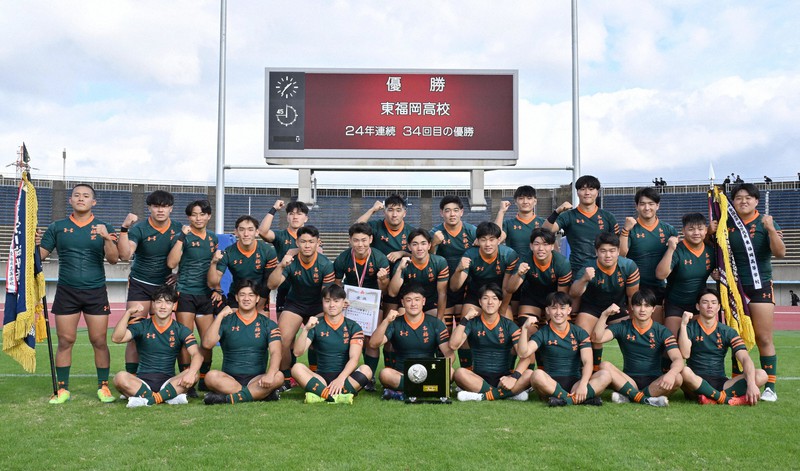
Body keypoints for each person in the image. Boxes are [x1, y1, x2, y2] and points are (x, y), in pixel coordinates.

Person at [40, 183, 119, 404]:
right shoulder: (57, 227)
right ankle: (62, 389)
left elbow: (114, 259)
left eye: (86, 196)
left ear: (94, 202)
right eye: (76, 195)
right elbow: (41, 255)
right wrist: (29, 243)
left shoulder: (104, 226)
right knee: (65, 340)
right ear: (70, 200)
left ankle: (103, 386)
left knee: (99, 340)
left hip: (96, 291)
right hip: (67, 291)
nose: (81, 198)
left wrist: (106, 237)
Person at [724, 183, 785, 401]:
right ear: (733, 202)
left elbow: (780, 253)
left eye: (748, 197)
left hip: (760, 286)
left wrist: (770, 229)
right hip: (735, 288)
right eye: (739, 198)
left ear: (756, 201)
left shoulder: (766, 222)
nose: (743, 201)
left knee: (763, 337)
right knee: (737, 336)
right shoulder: (726, 223)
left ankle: (770, 387)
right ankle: (737, 380)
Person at [117, 190, 182, 377]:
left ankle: (163, 374)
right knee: (134, 333)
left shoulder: (179, 228)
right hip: (140, 285)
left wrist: (180, 274)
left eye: (164, 206)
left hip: (164, 287)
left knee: (165, 332)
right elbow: (126, 255)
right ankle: (132, 378)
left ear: (171, 208)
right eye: (156, 206)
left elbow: (190, 256)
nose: (160, 210)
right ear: (149, 208)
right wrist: (124, 229)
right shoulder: (139, 229)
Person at [266, 225, 335, 387]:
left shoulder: (325, 264)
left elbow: (327, 295)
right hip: (295, 304)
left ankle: (316, 373)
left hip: (318, 306)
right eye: (303, 241)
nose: (307, 245)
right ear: (297, 242)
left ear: (318, 242)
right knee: (282, 339)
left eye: (311, 242)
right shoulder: (291, 261)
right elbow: (271, 285)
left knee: (321, 339)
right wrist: (281, 265)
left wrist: (325, 316)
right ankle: (285, 378)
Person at [111, 285, 200, 407]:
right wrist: (128, 313)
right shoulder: (142, 326)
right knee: (119, 378)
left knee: (194, 374)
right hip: (142, 382)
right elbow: (116, 338)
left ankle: (148, 399)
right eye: (159, 302)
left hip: (168, 382)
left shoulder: (180, 329)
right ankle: (167, 397)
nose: (163, 306)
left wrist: (191, 373)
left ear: (174, 306)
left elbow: (197, 354)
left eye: (168, 303)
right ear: (153, 305)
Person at [516, 292, 610, 406]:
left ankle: (564, 400)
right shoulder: (542, 333)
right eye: (554, 308)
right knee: (536, 375)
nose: (558, 312)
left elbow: (587, 362)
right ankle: (578, 399)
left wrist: (583, 385)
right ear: (547, 310)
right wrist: (525, 328)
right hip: (550, 384)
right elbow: (523, 353)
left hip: (576, 383)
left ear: (569, 310)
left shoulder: (579, 332)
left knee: (605, 375)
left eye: (562, 308)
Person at [592, 289, 682, 407]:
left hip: (655, 382)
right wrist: (605, 315)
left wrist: (671, 374)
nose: (642, 309)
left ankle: (631, 397)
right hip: (629, 381)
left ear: (653, 309)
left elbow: (678, 358)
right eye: (638, 305)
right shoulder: (623, 326)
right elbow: (597, 339)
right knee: (604, 366)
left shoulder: (662, 331)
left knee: (678, 378)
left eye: (647, 306)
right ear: (632, 307)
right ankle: (646, 399)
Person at [678, 289, 767, 406]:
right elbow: (685, 354)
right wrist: (683, 324)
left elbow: (745, 358)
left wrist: (751, 384)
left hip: (721, 382)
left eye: (714, 302)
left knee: (761, 375)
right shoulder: (689, 328)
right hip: (695, 381)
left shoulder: (727, 331)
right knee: (684, 371)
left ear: (718, 307)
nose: (710, 306)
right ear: (698, 306)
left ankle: (712, 398)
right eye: (705, 302)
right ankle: (726, 399)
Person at [166, 199, 218, 395]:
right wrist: (181, 237)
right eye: (194, 214)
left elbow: (213, 266)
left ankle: (203, 378)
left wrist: (217, 289)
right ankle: (186, 382)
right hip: (186, 293)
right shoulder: (183, 236)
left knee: (207, 341)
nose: (198, 218)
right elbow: (171, 263)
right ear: (188, 217)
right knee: (186, 339)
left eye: (202, 214)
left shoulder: (213, 238)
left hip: (205, 295)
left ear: (208, 216)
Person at [202, 279, 284, 404]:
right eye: (242, 295)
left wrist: (270, 374)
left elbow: (276, 353)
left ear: (257, 298)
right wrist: (220, 316)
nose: (246, 299)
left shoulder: (268, 324)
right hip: (230, 379)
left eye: (251, 295)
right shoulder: (227, 321)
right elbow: (207, 344)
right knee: (210, 377)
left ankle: (228, 398)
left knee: (278, 376)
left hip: (257, 379)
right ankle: (260, 394)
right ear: (236, 297)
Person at [369, 284, 455, 401]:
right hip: (403, 373)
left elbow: (449, 354)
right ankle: (428, 389)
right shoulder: (395, 323)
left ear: (423, 301)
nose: (413, 304)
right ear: (403, 302)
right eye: (408, 300)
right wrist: (386, 321)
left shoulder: (435, 323)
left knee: (451, 372)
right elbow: (373, 344)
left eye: (417, 300)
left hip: (429, 372)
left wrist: (442, 369)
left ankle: (408, 391)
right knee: (385, 374)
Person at [449, 284, 531, 401]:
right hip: (478, 379)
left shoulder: (509, 325)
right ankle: (508, 394)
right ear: (480, 302)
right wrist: (465, 318)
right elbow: (453, 345)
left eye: (494, 298)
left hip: (504, 379)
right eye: (485, 298)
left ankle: (480, 396)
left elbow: (526, 356)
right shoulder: (472, 323)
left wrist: (513, 378)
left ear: (500, 302)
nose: (490, 302)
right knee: (460, 373)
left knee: (529, 374)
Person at [291, 284, 372, 404]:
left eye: (336, 301)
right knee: (296, 368)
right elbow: (297, 352)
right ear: (322, 302)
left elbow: (354, 359)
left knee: (366, 370)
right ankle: (338, 396)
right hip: (321, 378)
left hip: (345, 377)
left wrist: (341, 378)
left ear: (344, 303)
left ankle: (320, 394)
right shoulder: (316, 324)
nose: (332, 305)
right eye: (327, 301)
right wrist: (306, 329)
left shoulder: (353, 327)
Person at [570, 232, 640, 369]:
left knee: (633, 335)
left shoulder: (628, 266)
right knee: (581, 333)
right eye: (603, 251)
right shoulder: (588, 267)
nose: (608, 255)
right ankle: (587, 369)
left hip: (618, 309)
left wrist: (635, 322)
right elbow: (573, 293)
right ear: (596, 252)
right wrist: (584, 279)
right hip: (592, 309)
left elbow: (633, 297)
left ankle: (635, 371)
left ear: (618, 251)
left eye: (612, 251)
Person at [333, 222, 391, 384]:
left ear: (371, 239)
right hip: (350, 303)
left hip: (373, 304)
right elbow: (336, 284)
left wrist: (383, 280)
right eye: (356, 240)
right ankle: (344, 373)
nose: (360, 244)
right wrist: (341, 300)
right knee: (346, 338)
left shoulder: (379, 258)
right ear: (350, 240)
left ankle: (369, 377)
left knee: (371, 340)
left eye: (364, 240)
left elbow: (385, 290)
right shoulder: (343, 258)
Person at [619, 187, 678, 325]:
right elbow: (621, 254)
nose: (647, 208)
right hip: (634, 286)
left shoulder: (668, 230)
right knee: (635, 328)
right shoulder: (631, 229)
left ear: (658, 206)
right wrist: (625, 230)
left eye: (651, 204)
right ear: (636, 206)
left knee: (655, 328)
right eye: (642, 204)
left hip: (658, 286)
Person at [655, 213, 717, 335]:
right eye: (691, 229)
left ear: (706, 230)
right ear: (683, 231)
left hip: (700, 305)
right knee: (671, 341)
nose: (696, 233)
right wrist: (671, 249)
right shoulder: (677, 250)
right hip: (675, 304)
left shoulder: (711, 251)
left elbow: (720, 271)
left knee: (700, 341)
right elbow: (660, 275)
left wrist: (717, 275)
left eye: (700, 229)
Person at [544, 175, 619, 274]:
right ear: (577, 192)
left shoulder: (608, 217)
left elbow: (617, 246)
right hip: (576, 270)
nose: (587, 193)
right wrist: (557, 211)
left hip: (603, 271)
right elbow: (545, 230)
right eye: (583, 189)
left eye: (591, 189)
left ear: (597, 192)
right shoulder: (568, 216)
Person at [357, 194, 415, 311]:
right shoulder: (376, 226)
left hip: (401, 281)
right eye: (390, 210)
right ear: (384, 212)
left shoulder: (411, 231)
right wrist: (372, 210)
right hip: (376, 279)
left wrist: (402, 253)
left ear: (404, 213)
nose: (394, 214)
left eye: (398, 210)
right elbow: (356, 229)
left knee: (399, 313)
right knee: (383, 316)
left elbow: (419, 256)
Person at [208, 215, 278, 311]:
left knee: (262, 319)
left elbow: (268, 283)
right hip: (237, 295)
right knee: (232, 319)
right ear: (236, 232)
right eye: (241, 230)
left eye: (250, 230)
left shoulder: (268, 251)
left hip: (260, 295)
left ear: (257, 232)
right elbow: (213, 282)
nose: (246, 234)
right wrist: (213, 263)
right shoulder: (228, 252)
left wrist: (260, 305)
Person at [449, 222, 518, 319]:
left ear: (499, 240)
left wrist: (502, 311)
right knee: (466, 321)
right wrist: (458, 270)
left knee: (507, 321)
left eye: (491, 239)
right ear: (477, 240)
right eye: (483, 240)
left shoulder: (508, 255)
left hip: (498, 295)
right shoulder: (470, 255)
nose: (488, 244)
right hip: (475, 294)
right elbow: (454, 287)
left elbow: (506, 288)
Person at [494, 185, 545, 317]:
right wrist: (501, 212)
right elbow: (496, 238)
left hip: (537, 274)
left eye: (529, 198)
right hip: (514, 273)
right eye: (521, 198)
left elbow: (553, 248)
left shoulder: (543, 223)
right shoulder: (509, 223)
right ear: (515, 201)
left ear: (535, 201)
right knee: (514, 313)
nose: (525, 201)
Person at [504, 228, 572, 327]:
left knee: (559, 327)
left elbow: (562, 296)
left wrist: (553, 312)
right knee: (528, 328)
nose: (541, 248)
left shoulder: (562, 263)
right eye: (536, 244)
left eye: (545, 244)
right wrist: (518, 274)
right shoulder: (525, 260)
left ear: (552, 246)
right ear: (531, 246)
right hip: (532, 298)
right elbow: (510, 289)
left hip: (554, 299)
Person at [430, 195, 478, 330]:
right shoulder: (435, 233)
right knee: (445, 330)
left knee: (465, 329)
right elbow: (428, 259)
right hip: (443, 285)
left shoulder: (472, 231)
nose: (452, 214)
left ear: (461, 212)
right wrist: (433, 243)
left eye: (455, 210)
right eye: (447, 210)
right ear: (441, 213)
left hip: (467, 285)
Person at [259, 199, 310, 313]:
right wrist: (274, 209)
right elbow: (262, 232)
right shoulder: (281, 236)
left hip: (307, 290)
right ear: (287, 217)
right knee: (282, 324)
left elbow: (318, 251)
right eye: (291, 214)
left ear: (306, 218)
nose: (295, 217)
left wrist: (296, 250)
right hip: (285, 289)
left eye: (299, 214)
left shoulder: (311, 236)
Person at [388, 229, 449, 320]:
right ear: (409, 247)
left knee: (440, 324)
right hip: (409, 303)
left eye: (423, 243)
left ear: (429, 245)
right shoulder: (403, 263)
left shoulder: (440, 262)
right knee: (401, 319)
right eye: (415, 244)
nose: (419, 248)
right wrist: (399, 269)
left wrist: (439, 320)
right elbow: (392, 293)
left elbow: (442, 293)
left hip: (430, 304)